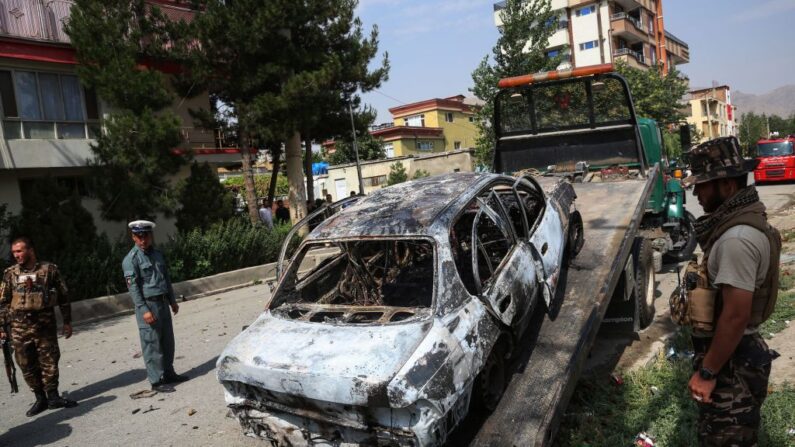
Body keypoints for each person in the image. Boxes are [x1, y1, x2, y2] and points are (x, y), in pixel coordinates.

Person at [679, 136, 781, 446]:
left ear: (728, 185)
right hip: (735, 358)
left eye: (703, 184)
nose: (696, 192)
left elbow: (735, 316)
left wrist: (707, 373)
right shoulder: (741, 223)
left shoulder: (736, 238)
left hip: (732, 365)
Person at [0, 236, 77, 416]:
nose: (16, 255)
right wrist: (2, 327)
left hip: (45, 326)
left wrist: (67, 321)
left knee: (49, 361)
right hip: (19, 328)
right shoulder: (10, 273)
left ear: (30, 250)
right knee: (26, 364)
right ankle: (40, 398)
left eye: (19, 251)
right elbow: (3, 302)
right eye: (14, 252)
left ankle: (53, 397)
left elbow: (63, 296)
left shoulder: (49, 270)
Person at [122, 220, 188, 393]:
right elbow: (134, 289)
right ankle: (156, 380)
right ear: (133, 237)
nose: (143, 240)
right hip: (148, 305)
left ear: (151, 236)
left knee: (167, 341)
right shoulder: (131, 260)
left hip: (163, 303)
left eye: (146, 236)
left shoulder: (158, 255)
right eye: (139, 236)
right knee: (152, 344)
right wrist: (144, 310)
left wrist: (172, 300)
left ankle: (168, 372)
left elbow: (165, 279)